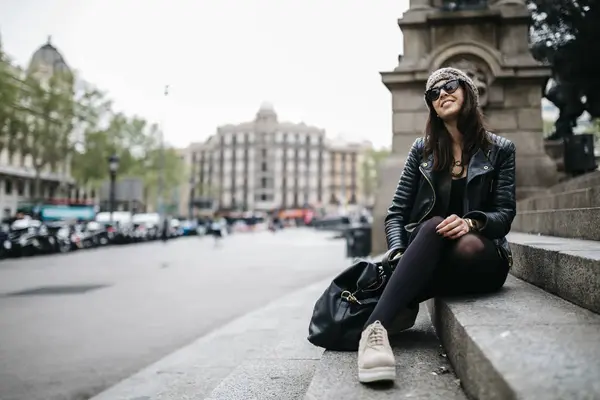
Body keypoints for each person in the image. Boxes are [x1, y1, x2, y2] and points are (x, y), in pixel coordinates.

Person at [357, 67, 516, 384]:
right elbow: (396, 214)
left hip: (483, 259)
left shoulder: (500, 150)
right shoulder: (423, 150)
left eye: (450, 86)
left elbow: (504, 214)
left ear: (467, 92)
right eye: (433, 93)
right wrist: (400, 253)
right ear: (431, 106)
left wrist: (472, 222)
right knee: (432, 226)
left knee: (458, 238)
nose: (442, 93)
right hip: (434, 259)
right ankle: (375, 334)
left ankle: (375, 323)